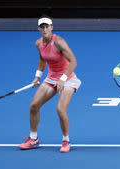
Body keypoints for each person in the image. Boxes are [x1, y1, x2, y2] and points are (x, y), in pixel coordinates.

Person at [19, 15, 81, 153]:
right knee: (34, 106)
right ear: (38, 29)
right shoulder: (38, 43)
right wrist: (37, 76)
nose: (45, 28)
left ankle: (66, 141)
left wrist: (63, 78)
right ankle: (33, 139)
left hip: (68, 79)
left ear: (51, 27)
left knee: (60, 109)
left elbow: (74, 61)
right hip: (51, 78)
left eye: (47, 26)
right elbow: (42, 59)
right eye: (42, 27)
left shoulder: (59, 42)